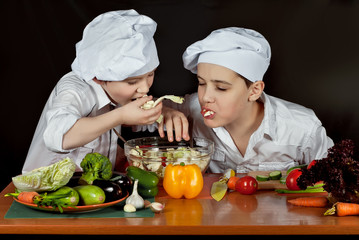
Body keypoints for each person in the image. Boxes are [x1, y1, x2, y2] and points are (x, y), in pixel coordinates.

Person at [159, 27, 334, 173]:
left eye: (221, 88)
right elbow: (134, 117)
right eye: (201, 83)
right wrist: (163, 111)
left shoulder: (302, 128)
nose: (205, 97)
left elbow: (333, 180)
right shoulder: (191, 108)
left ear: (254, 91)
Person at [22, 10, 165, 173]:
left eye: (151, 74)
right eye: (132, 82)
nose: (145, 88)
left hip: (94, 190)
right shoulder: (75, 89)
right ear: (98, 77)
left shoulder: (119, 92)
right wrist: (121, 115)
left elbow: (125, 117)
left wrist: (164, 112)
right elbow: (59, 136)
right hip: (45, 192)